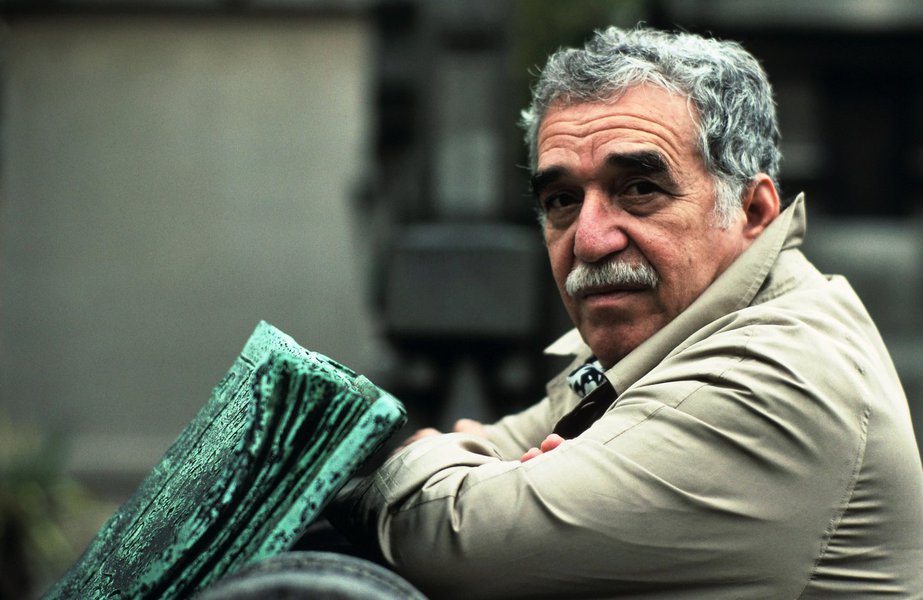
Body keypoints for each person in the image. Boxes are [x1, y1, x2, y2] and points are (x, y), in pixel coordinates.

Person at [329, 25, 923, 598]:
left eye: (639, 189)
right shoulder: (665, 338)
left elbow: (450, 536)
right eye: (562, 199)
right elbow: (483, 462)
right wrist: (469, 476)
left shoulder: (772, 376)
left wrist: (405, 473)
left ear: (753, 211)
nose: (589, 241)